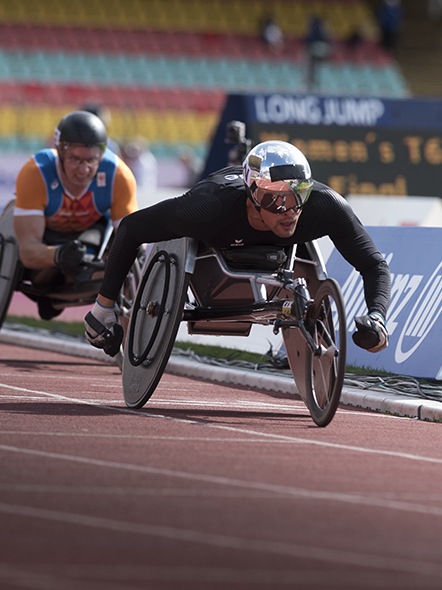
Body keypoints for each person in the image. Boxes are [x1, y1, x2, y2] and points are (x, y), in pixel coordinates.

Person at [84, 140, 390, 357]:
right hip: (217, 231)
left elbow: (374, 264)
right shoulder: (206, 209)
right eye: (276, 198)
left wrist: (377, 318)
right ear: (254, 195)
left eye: (299, 195)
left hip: (276, 251)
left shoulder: (324, 206)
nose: (290, 210)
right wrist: (104, 307)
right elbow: (130, 229)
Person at [13, 110, 138, 320]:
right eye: (75, 159)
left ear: (102, 154)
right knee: (50, 272)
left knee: (124, 246)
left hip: (89, 235)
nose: (84, 169)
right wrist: (59, 255)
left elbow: (134, 237)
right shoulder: (36, 173)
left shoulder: (119, 175)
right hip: (46, 237)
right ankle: (50, 288)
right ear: (60, 153)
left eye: (91, 160)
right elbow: (27, 251)